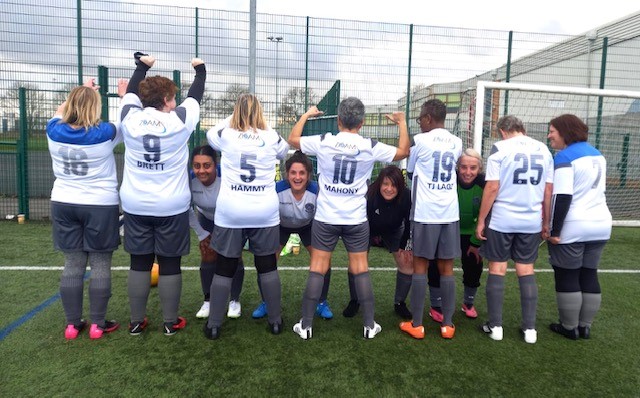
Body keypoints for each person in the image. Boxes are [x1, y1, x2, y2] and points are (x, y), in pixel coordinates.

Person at [289, 97, 410, 340]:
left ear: (338, 120)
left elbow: (292, 140)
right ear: (362, 122)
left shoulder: (325, 141)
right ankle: (369, 325)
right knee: (360, 270)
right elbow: (403, 152)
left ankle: (306, 325)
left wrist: (306, 116)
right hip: (355, 219)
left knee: (317, 268)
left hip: (326, 217)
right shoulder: (369, 145)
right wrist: (402, 122)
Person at [119, 53, 206, 336]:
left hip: (135, 204)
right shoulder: (178, 121)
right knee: (170, 263)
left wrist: (142, 66)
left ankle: (135, 322)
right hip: (171, 206)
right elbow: (195, 96)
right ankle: (170, 322)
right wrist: (200, 70)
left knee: (139, 262)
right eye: (172, 98)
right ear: (168, 100)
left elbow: (131, 91)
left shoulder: (129, 118)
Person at [204, 93, 289, 340]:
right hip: (264, 210)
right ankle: (275, 321)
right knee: (267, 266)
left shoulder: (227, 134)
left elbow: (212, 134)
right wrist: (259, 122)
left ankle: (214, 325)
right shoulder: (271, 136)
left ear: (235, 111)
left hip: (232, 211)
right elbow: (284, 150)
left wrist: (237, 115)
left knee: (224, 267)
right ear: (260, 112)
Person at [47, 78, 122, 340]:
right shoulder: (105, 133)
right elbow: (127, 119)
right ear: (95, 107)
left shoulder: (53, 130)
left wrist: (81, 91)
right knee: (101, 263)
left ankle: (71, 324)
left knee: (73, 263)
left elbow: (59, 112)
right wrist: (124, 95)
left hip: (64, 202)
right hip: (100, 204)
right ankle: (97, 325)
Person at [475, 115, 553, 344]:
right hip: (530, 220)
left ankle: (495, 326)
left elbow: (492, 187)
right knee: (526, 270)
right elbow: (548, 192)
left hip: (503, 219)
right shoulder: (544, 150)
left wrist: (481, 220)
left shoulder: (499, 148)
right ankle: (530, 330)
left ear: (502, 131)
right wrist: (546, 222)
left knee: (497, 268)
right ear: (523, 129)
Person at [400, 99, 463, 340]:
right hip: (449, 213)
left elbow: (412, 173)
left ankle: (417, 324)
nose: (419, 123)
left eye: (419, 119)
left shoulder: (419, 141)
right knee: (447, 269)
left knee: (420, 267)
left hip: (425, 213)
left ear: (427, 118)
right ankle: (447, 325)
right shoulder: (456, 142)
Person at [546, 114, 611, 340]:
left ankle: (568, 326)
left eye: (552, 131)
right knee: (589, 274)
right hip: (601, 223)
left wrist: (554, 231)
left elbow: (562, 196)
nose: (549, 135)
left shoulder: (565, 157)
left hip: (574, 224)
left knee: (568, 275)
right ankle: (584, 326)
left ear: (564, 131)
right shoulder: (598, 154)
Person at [252, 150, 334, 320]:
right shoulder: (276, 190)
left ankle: (321, 301)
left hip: (307, 226)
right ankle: (266, 301)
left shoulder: (317, 191)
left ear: (309, 175)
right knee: (266, 260)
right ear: (286, 174)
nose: (297, 177)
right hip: (281, 226)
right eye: (293, 173)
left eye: (302, 173)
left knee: (323, 259)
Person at [342, 165, 413, 320]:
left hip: (394, 229)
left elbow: (408, 222)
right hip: (367, 227)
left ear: (400, 186)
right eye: (385, 184)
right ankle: (355, 300)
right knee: (356, 262)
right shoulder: (370, 195)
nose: (389, 189)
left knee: (407, 262)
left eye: (394, 185)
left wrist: (404, 245)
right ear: (379, 184)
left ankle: (399, 303)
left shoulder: (407, 196)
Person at [427, 148, 486, 322]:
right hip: (448, 230)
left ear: (479, 169)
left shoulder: (484, 185)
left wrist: (476, 242)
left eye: (473, 168)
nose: (468, 172)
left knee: (473, 266)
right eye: (464, 167)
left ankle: (468, 303)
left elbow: (486, 216)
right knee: (436, 266)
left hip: (472, 234)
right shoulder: (448, 181)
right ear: (457, 167)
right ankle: (436, 305)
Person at [188, 145, 245, 320]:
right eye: (197, 166)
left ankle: (234, 300)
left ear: (216, 164)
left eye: (207, 165)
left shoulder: (227, 178)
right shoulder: (189, 180)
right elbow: (184, 207)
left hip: (230, 219)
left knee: (233, 256)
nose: (201, 170)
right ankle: (208, 300)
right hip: (206, 218)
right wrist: (201, 233)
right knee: (207, 255)